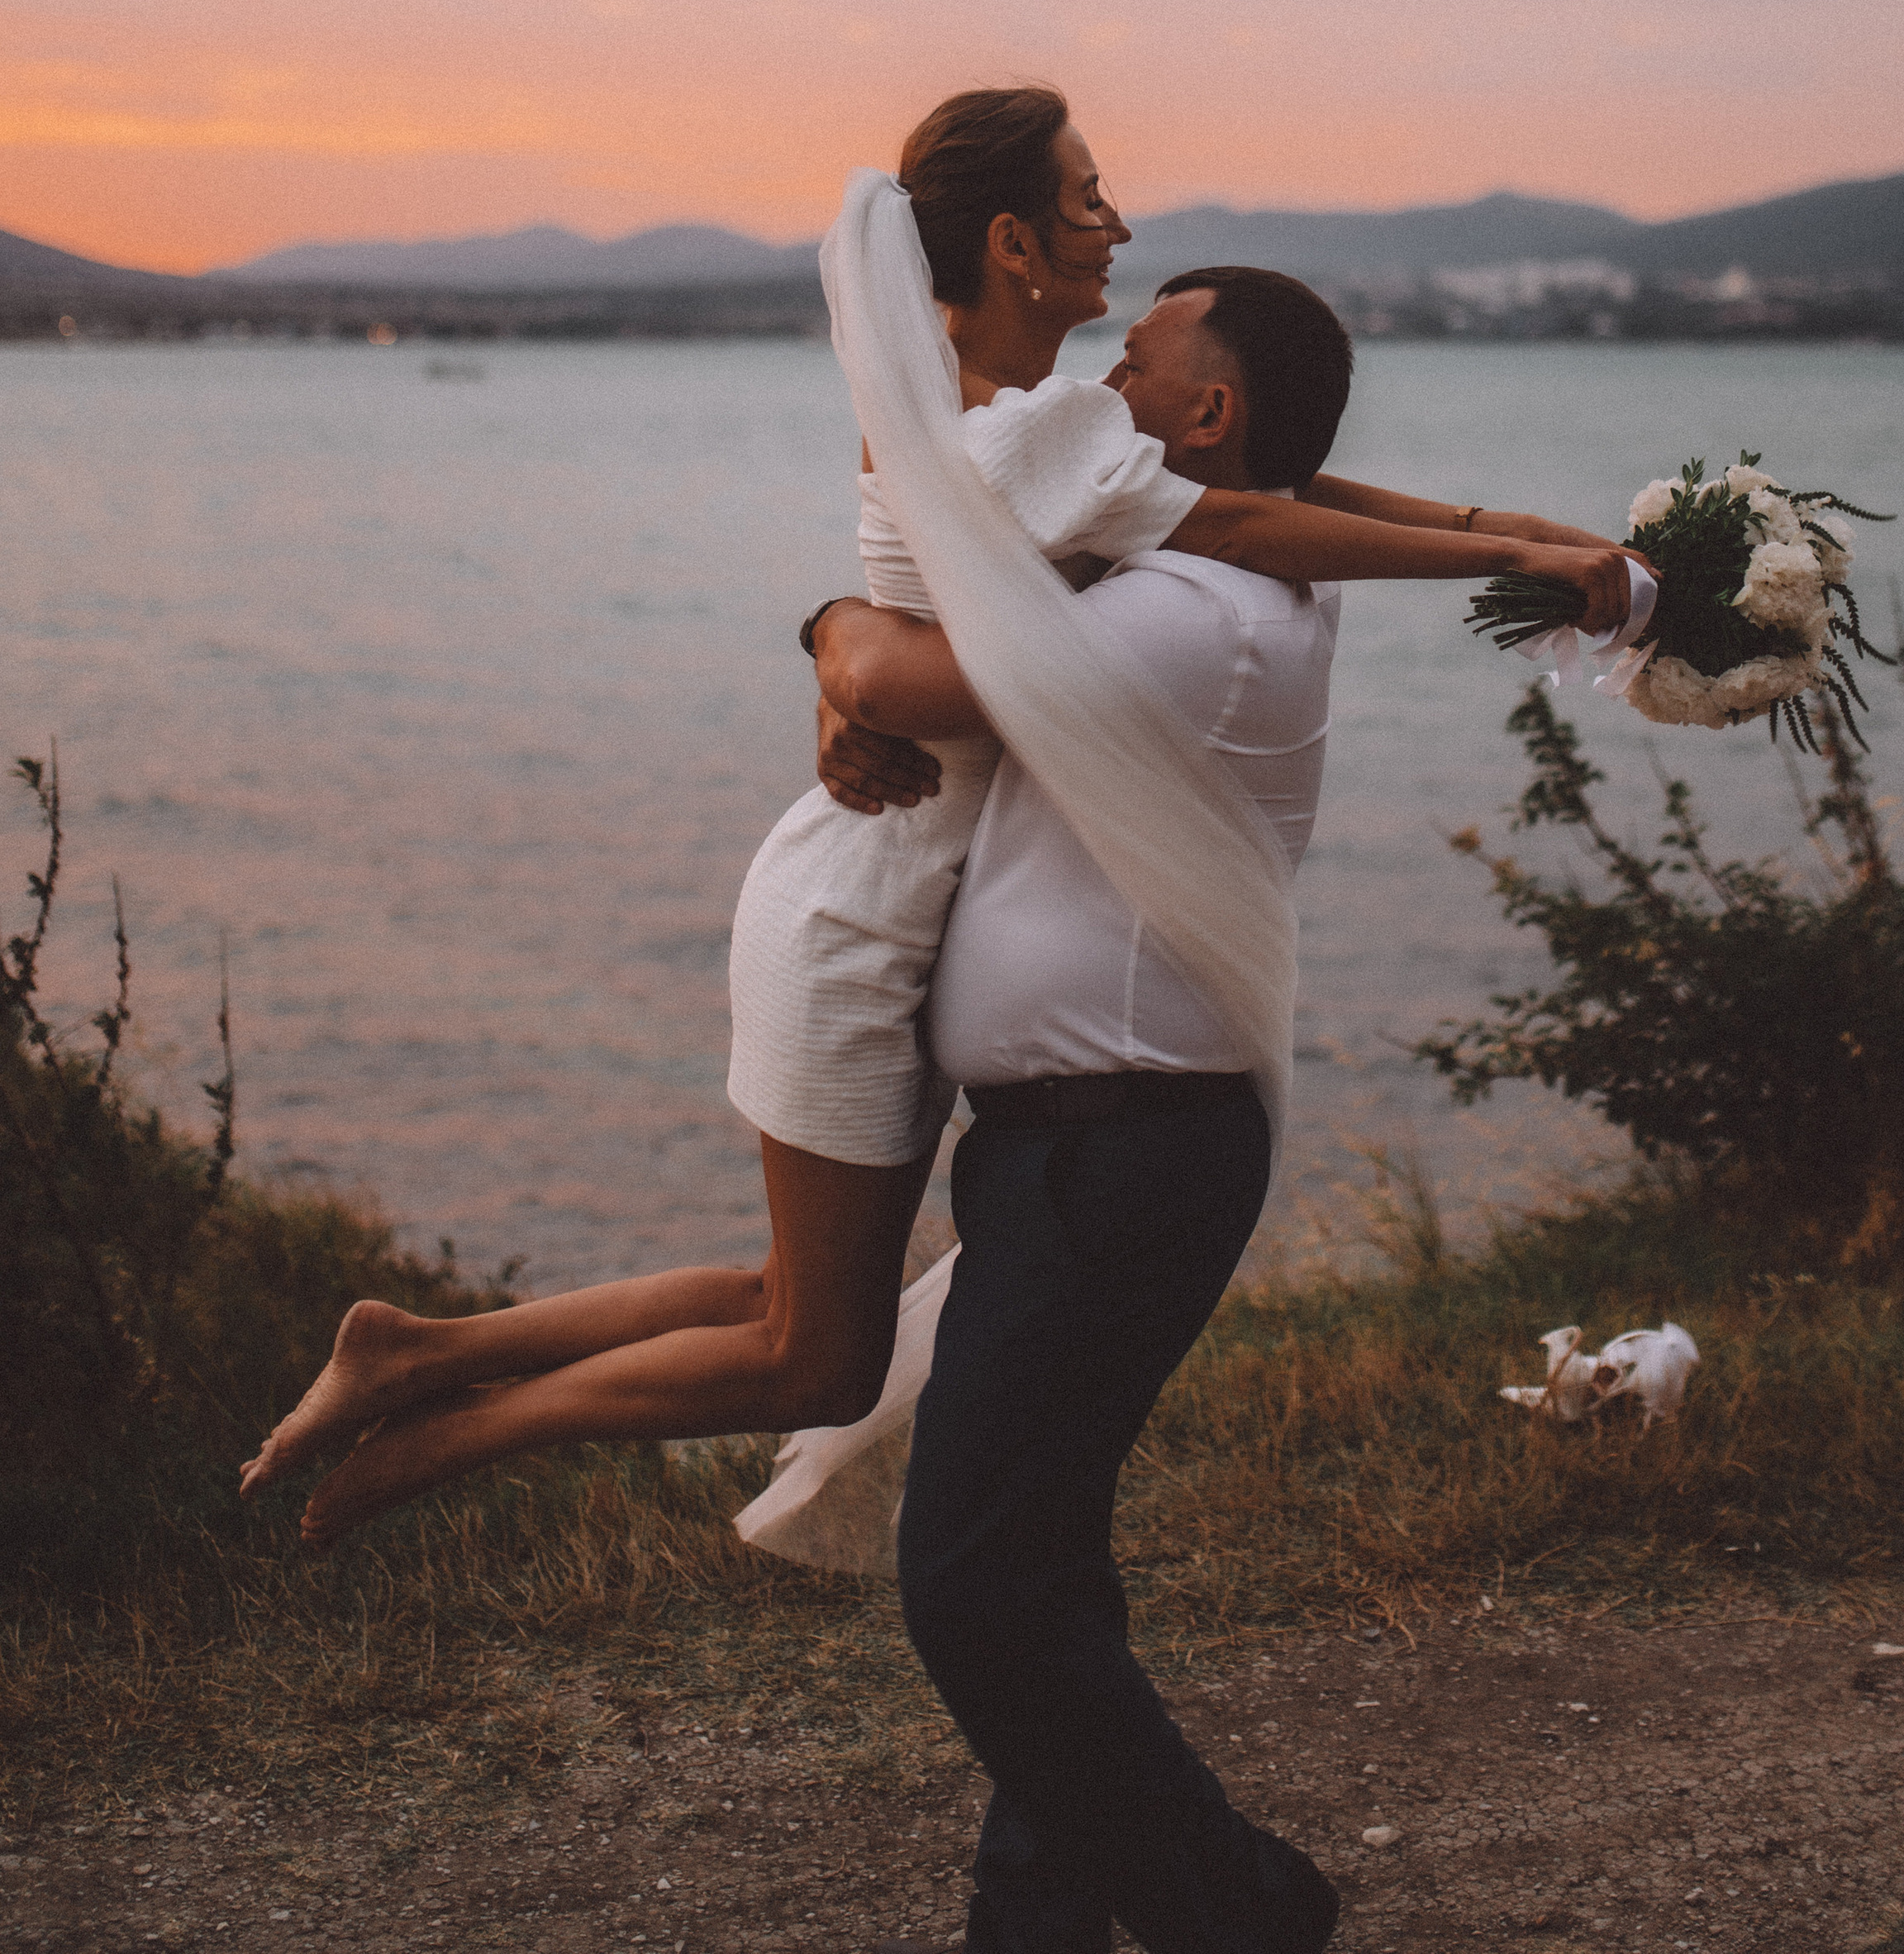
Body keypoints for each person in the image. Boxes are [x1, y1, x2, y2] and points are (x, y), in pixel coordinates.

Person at [240, 89, 1640, 1544]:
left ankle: (419, 1353)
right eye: (1093, 200)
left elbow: (1261, 479)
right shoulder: (1018, 438)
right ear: (1020, 241)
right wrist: (1507, 550)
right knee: (821, 1356)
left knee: (798, 1305)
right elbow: (1235, 519)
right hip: (862, 908)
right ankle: (453, 1436)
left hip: (907, 897)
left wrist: (1516, 539)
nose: (1121, 225)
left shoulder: (1033, 421)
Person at [807, 265, 1355, 1954]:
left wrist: (825, 638)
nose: (1100, 377)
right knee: (1035, 1556)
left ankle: (1238, 1912)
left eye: (1135, 359)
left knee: (968, 1581)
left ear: (1209, 416)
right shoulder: (1188, 569)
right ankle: (1029, 1924)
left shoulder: (1198, 617)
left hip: (1124, 1148)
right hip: (1088, 1143)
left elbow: (916, 667)